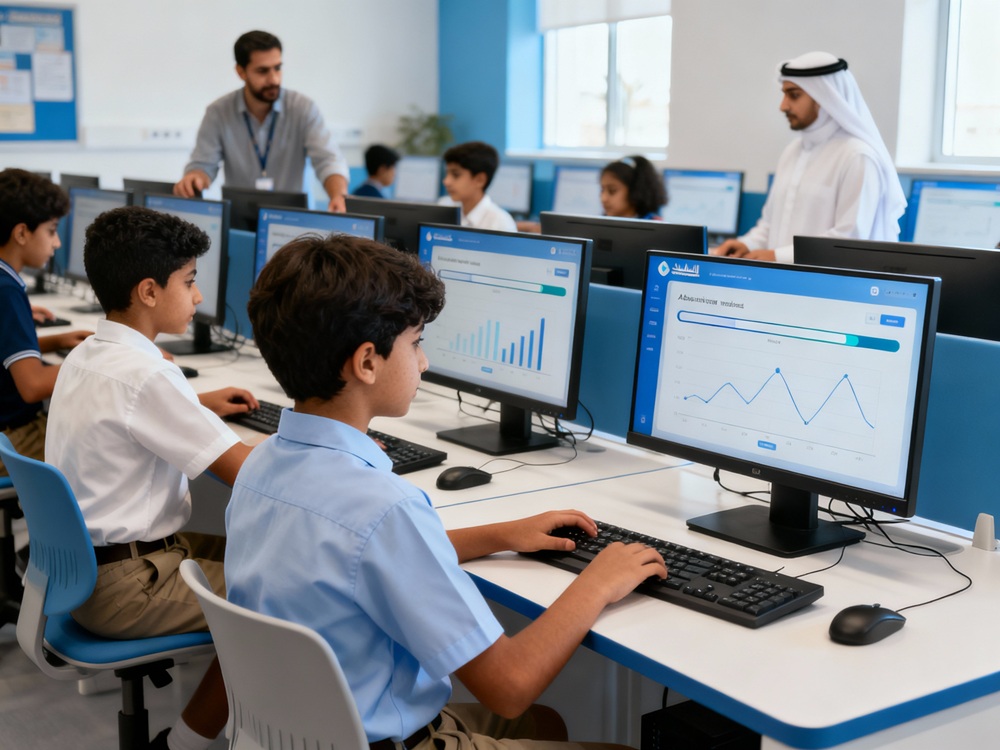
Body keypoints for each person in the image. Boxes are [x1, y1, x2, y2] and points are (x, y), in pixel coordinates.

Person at [226, 233, 666, 750]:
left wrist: (500, 533)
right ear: (367, 362)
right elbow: (509, 687)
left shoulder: (261, 464)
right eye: (415, 343)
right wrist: (597, 583)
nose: (425, 361)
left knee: (545, 726)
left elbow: (353, 557)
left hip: (297, 735)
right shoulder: (383, 509)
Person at [45, 206, 261, 750]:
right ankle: (184, 742)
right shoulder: (146, 374)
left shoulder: (88, 355)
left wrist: (194, 403)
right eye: (189, 282)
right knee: (282, 595)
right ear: (147, 291)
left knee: (255, 548)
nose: (198, 298)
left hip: (84, 575)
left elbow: (146, 411)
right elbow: (249, 477)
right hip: (127, 590)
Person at [714, 51, 906, 263]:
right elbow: (771, 223)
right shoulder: (793, 151)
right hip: (782, 281)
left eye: (794, 95)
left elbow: (850, 241)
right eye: (784, 94)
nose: (783, 105)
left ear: (825, 98)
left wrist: (778, 256)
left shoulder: (857, 157)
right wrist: (747, 244)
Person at [174, 30, 350, 212]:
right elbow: (203, 165)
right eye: (262, 71)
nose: (273, 79)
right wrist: (195, 177)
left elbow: (328, 160)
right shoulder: (218, 113)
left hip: (295, 224)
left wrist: (338, 194)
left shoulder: (303, 108)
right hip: (240, 222)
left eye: (278, 68)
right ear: (241, 72)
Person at [0, 169, 90, 476]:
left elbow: (5, 349)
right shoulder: (7, 291)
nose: (58, 243)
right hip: (16, 439)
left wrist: (56, 341)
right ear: (22, 233)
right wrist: (101, 364)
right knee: (98, 450)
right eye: (51, 231)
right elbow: (33, 385)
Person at [439, 140, 517, 231]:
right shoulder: (443, 206)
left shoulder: (500, 224)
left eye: (456, 175)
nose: (446, 181)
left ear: (480, 180)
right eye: (447, 174)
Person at [600, 156, 667, 220]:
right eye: (602, 190)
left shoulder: (655, 227)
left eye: (612, 191)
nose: (604, 199)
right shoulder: (598, 226)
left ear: (635, 191)